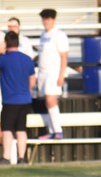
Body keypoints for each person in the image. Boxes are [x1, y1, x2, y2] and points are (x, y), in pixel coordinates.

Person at [0, 31, 37, 164]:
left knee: (7, 129)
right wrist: (27, 91)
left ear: (6, 43)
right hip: (25, 100)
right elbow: (32, 79)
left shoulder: (5, 59)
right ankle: (22, 158)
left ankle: (6, 157)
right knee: (21, 129)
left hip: (10, 101)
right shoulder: (27, 59)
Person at [37, 9, 70, 140]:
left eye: (48, 19)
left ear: (54, 20)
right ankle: (52, 131)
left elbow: (64, 56)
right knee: (47, 101)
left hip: (53, 71)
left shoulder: (59, 35)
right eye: (44, 19)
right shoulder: (43, 35)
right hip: (42, 72)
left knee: (51, 99)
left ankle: (58, 130)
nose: (46, 22)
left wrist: (61, 75)